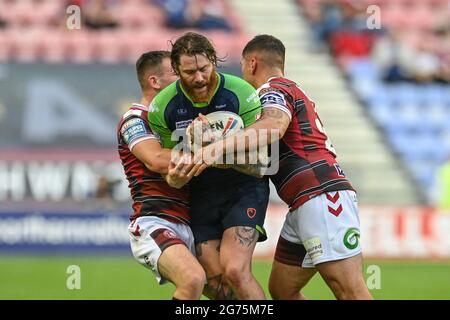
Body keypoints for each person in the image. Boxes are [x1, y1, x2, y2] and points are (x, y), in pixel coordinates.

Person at [198, 34, 373, 300]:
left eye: (244, 65)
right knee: (283, 291)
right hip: (303, 203)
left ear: (252, 63)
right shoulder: (285, 89)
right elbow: (260, 160)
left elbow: (273, 126)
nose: (243, 72)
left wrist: (217, 147)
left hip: (322, 196)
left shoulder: (273, 89)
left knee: (350, 292)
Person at [148, 32, 270, 300]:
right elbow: (173, 177)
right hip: (200, 194)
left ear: (214, 61)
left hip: (245, 188)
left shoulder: (241, 94)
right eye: (190, 72)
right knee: (215, 282)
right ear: (177, 70)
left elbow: (263, 163)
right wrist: (190, 153)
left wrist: (214, 148)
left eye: (204, 68)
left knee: (235, 271)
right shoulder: (163, 107)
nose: (199, 78)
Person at [117, 51, 206, 300]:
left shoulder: (175, 121)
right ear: (155, 81)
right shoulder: (134, 119)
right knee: (192, 280)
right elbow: (156, 160)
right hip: (155, 221)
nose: (184, 79)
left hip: (190, 223)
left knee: (228, 292)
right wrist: (210, 152)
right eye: (176, 73)